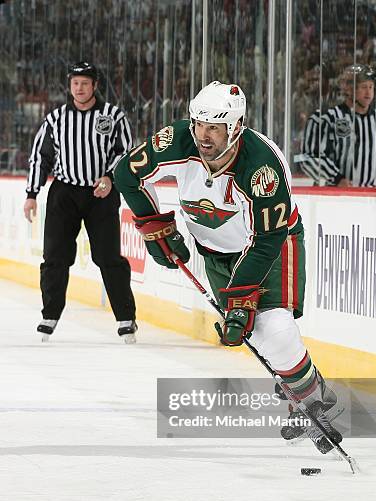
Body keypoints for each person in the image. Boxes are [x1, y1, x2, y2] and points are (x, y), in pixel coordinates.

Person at [114, 80, 342, 454]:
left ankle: (313, 399)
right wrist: (155, 226)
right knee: (258, 334)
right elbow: (127, 174)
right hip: (217, 253)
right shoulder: (178, 138)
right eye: (199, 124)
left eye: (214, 128)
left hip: (273, 244)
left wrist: (240, 299)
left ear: (234, 127)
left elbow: (266, 240)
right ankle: (307, 387)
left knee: (277, 330)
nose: (203, 135)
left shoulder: (261, 166)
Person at [23, 61, 137, 342]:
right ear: (70, 86)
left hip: (101, 193)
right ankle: (49, 314)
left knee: (108, 257)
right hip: (65, 193)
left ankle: (125, 318)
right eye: (75, 83)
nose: (80, 88)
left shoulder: (113, 116)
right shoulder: (56, 118)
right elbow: (41, 156)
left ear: (95, 85)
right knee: (55, 257)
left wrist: (110, 178)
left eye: (85, 83)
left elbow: (125, 152)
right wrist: (31, 193)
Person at [300, 64, 376, 187]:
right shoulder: (327, 119)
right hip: (335, 200)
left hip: (372, 199)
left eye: (371, 87)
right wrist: (337, 178)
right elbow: (308, 157)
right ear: (349, 90)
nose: (368, 92)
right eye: (363, 87)